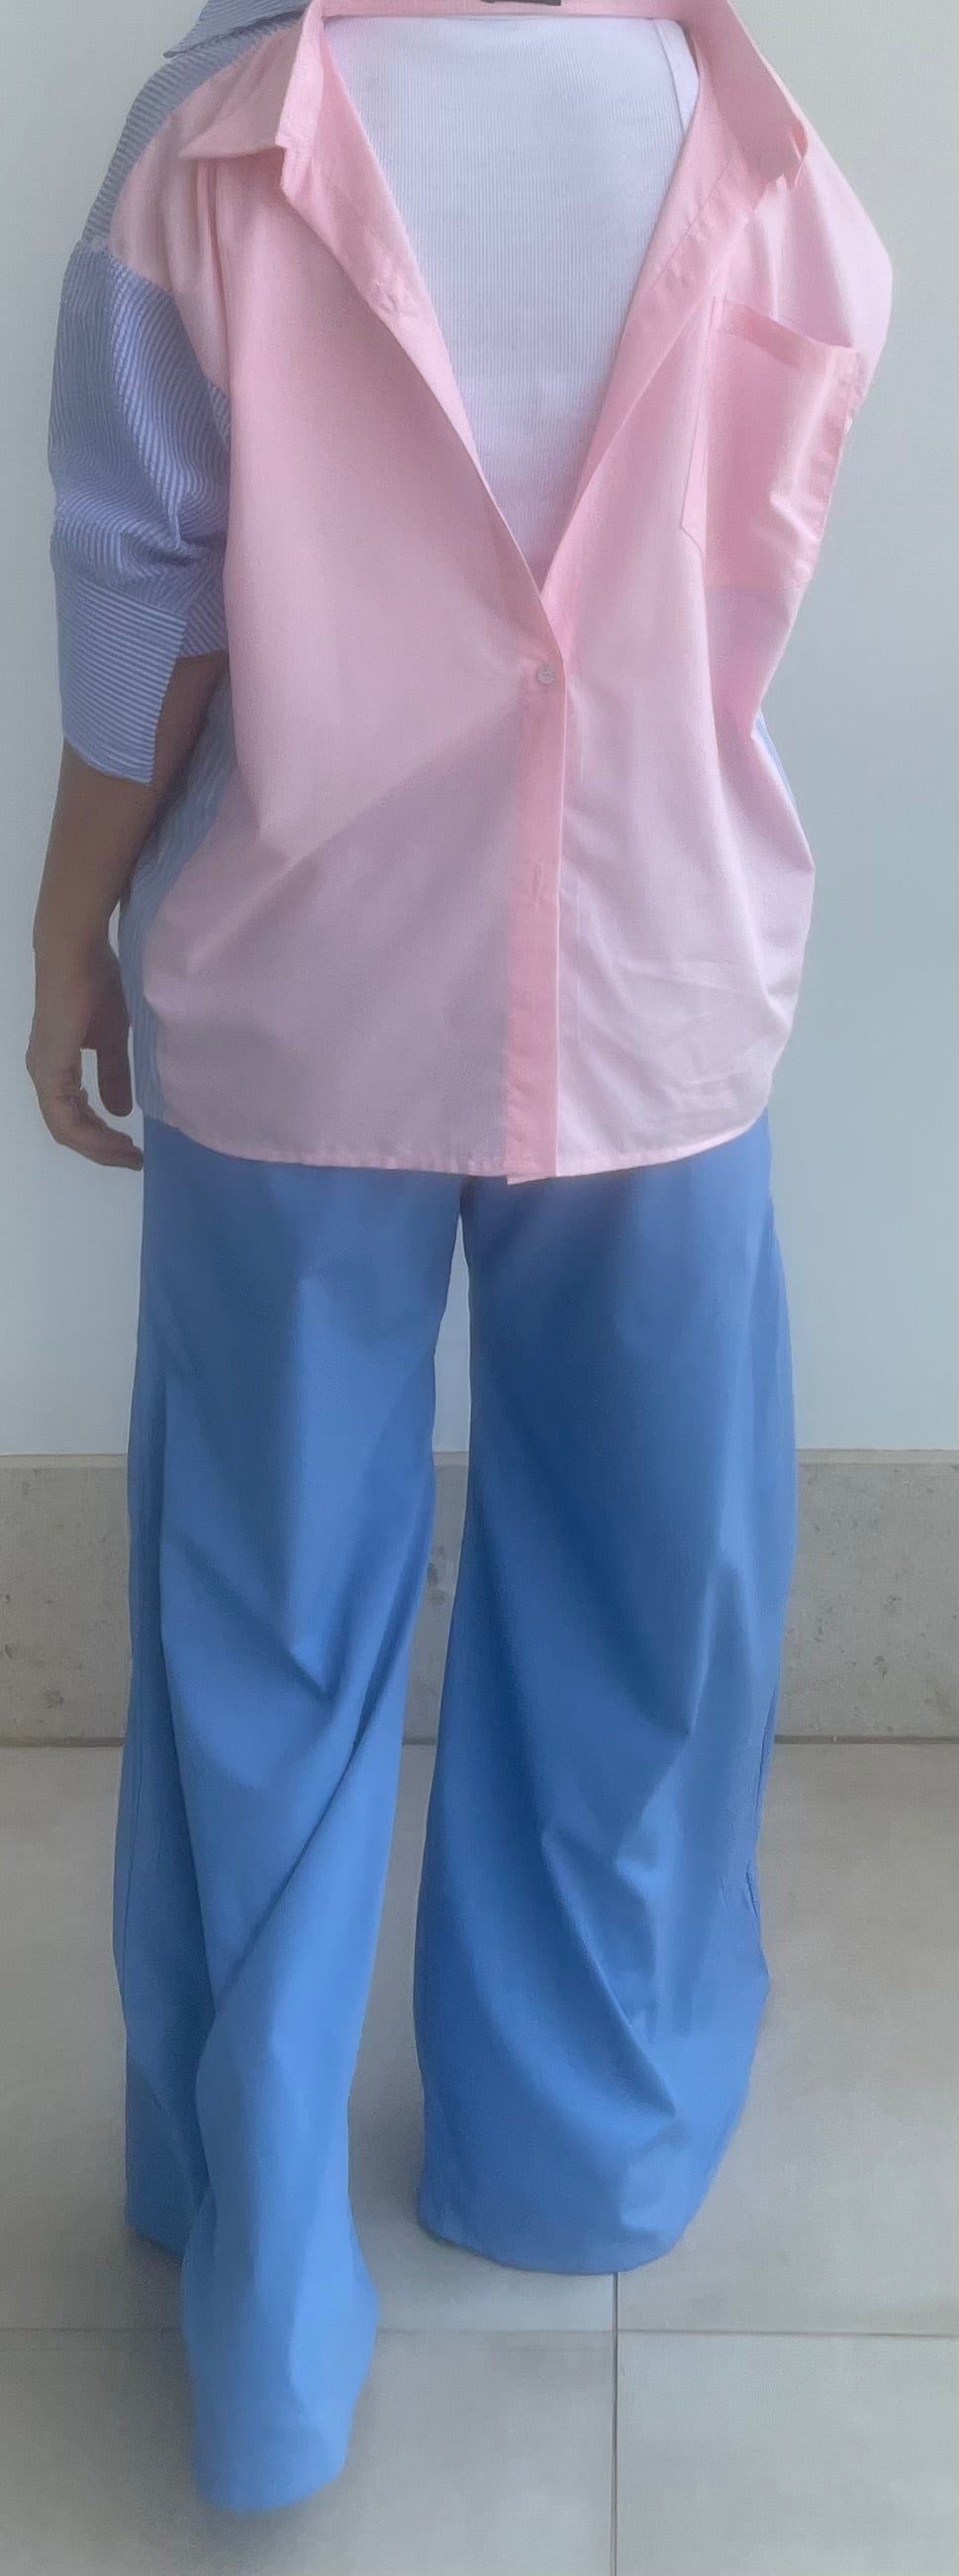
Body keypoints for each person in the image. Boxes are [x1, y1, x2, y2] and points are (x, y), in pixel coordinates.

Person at [28, 0, 893, 2516]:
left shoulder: (209, 140)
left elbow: (143, 601)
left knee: (260, 1636)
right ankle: (577, 2147)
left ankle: (258, 2298)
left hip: (300, 1001)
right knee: (642, 1605)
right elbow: (743, 578)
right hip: (646, 996)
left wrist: (69, 920)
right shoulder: (764, 155)